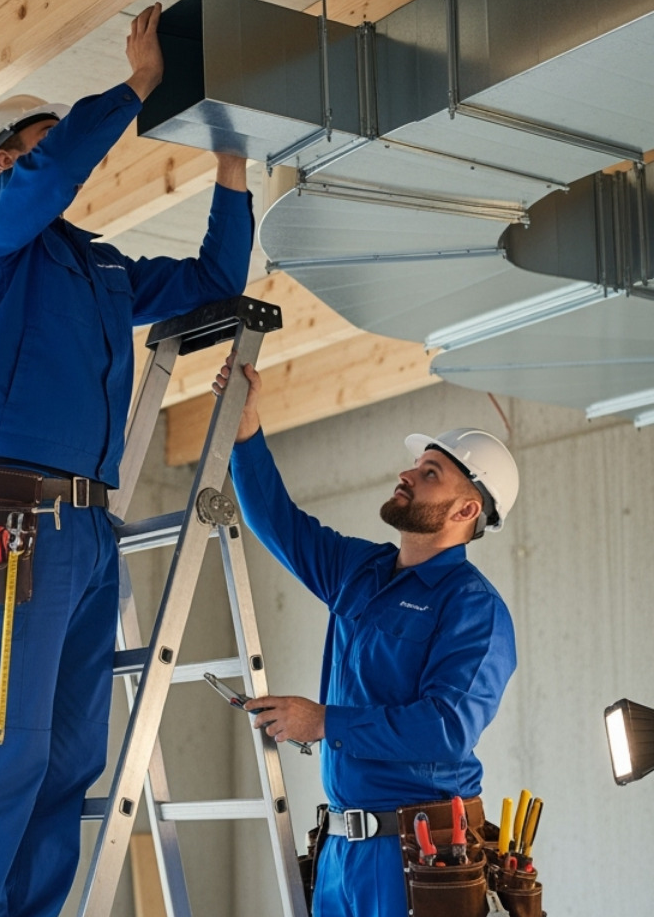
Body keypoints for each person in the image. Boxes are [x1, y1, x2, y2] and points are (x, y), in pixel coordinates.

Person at [0, 3, 254, 917]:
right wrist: (135, 87)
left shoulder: (101, 270)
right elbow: (53, 174)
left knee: (70, 759)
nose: (66, 156)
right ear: (6, 163)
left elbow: (211, 283)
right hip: (11, 522)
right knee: (5, 749)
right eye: (44, 143)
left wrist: (233, 168)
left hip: (86, 531)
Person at [214, 358, 520, 916]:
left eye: (431, 473)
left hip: (420, 859)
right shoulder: (362, 570)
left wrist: (324, 721)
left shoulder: (473, 608)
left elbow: (447, 728)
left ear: (466, 508)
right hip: (340, 851)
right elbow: (278, 523)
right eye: (415, 466)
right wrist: (246, 434)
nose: (407, 475)